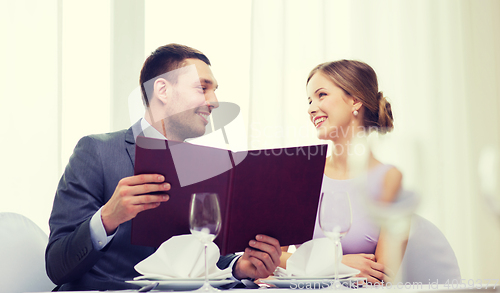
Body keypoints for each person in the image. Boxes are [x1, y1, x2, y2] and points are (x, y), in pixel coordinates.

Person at [46, 44, 282, 291]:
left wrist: (239, 266)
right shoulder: (97, 152)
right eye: (203, 88)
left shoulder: (207, 165)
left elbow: (205, 253)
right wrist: (107, 218)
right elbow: (57, 266)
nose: (214, 102)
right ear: (162, 90)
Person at [280, 60, 402, 284]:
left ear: (355, 100)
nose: (310, 108)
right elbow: (269, 258)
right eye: (309, 100)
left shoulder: (390, 179)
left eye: (321, 95)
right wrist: (335, 265)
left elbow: (381, 274)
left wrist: (307, 265)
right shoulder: (300, 174)